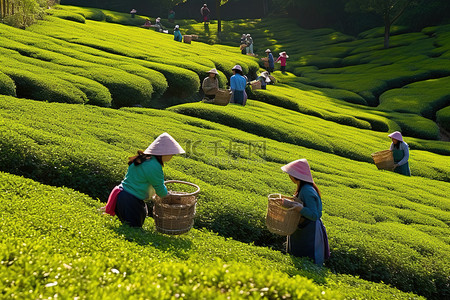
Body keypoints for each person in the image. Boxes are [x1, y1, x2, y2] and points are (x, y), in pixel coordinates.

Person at [103, 133, 185, 227]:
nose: (172, 156)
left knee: (129, 227)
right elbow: (161, 190)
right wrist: (172, 196)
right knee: (133, 231)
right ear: (164, 153)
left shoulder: (144, 159)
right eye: (171, 154)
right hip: (129, 200)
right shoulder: (154, 165)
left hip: (122, 196)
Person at [281, 159, 330, 265]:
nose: (289, 176)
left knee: (309, 260)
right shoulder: (302, 187)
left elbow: (314, 215)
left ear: (296, 176)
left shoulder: (307, 190)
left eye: (290, 174)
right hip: (302, 228)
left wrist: (299, 208)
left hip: (310, 232)